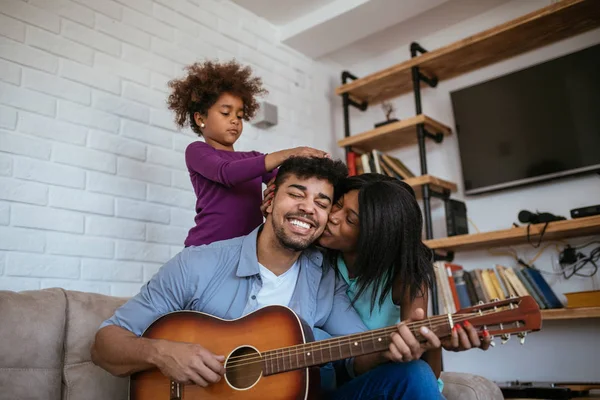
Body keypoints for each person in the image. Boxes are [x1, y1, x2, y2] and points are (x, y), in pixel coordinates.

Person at [91, 157, 444, 400]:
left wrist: (393, 350)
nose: (309, 208)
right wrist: (160, 352)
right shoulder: (198, 265)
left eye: (323, 202)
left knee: (412, 376)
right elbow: (105, 343)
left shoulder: (323, 277)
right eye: (296, 194)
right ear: (270, 199)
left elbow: (356, 352)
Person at [167, 60, 329, 247]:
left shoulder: (253, 158)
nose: (235, 121)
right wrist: (288, 153)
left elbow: (285, 181)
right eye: (226, 113)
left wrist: (274, 194)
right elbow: (226, 173)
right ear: (200, 118)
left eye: (239, 116)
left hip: (246, 250)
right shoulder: (197, 151)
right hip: (206, 248)